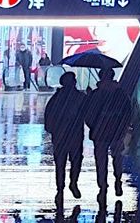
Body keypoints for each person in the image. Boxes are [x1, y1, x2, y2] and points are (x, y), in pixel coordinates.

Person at [87, 67, 134, 203]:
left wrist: (94, 127)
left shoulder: (96, 95)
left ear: (101, 78)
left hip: (100, 134)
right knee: (117, 157)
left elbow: (88, 114)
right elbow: (128, 112)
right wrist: (122, 128)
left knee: (101, 160)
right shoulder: (120, 94)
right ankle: (118, 179)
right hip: (116, 132)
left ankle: (102, 184)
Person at [44, 72, 89, 200]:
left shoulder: (56, 98)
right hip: (75, 136)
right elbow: (88, 114)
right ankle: (73, 183)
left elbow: (48, 119)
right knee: (76, 160)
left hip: (60, 137)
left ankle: (60, 187)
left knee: (60, 162)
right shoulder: (81, 97)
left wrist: (54, 130)